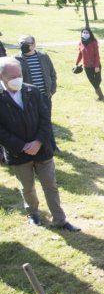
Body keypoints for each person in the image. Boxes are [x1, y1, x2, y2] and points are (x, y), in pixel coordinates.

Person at [0, 57, 80, 232]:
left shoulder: (33, 91)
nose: (17, 78)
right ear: (1, 77)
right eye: (13, 76)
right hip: (18, 153)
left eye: (19, 75)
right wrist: (22, 146)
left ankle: (60, 219)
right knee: (27, 187)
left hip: (41, 149)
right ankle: (33, 214)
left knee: (50, 185)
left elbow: (45, 119)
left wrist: (38, 141)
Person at [15, 35, 58, 151]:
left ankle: (52, 145)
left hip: (45, 96)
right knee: (34, 122)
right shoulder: (16, 60)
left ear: (34, 44)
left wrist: (52, 90)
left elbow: (52, 74)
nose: (22, 45)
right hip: (29, 98)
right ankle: (39, 146)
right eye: (20, 43)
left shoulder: (44, 56)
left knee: (46, 120)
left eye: (26, 43)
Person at [75, 28, 104, 100]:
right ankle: (101, 96)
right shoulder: (81, 43)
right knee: (93, 82)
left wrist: (97, 66)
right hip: (87, 67)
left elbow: (97, 55)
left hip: (96, 65)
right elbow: (80, 54)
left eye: (86, 32)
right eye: (83, 32)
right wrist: (77, 63)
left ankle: (97, 90)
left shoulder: (94, 42)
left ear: (90, 33)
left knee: (98, 80)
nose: (85, 34)